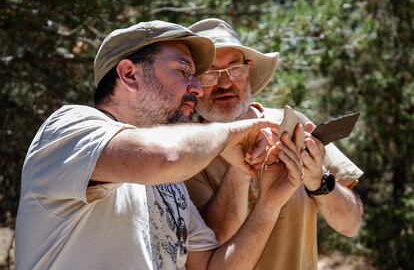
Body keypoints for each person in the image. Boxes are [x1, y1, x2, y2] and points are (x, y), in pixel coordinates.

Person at [15, 20, 304, 270]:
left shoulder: (169, 183)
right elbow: (166, 155)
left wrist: (269, 203)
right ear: (129, 75)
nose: (197, 88)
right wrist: (239, 131)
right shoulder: (70, 128)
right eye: (183, 71)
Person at [185, 18, 364, 270]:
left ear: (248, 70)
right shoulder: (187, 151)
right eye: (210, 75)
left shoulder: (291, 124)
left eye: (234, 69)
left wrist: (318, 181)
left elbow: (350, 224)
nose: (225, 84)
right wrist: (242, 166)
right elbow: (212, 245)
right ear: (192, 84)